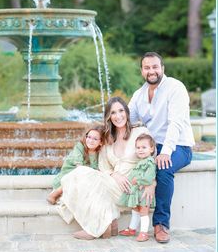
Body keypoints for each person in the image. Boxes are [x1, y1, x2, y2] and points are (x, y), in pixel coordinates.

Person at [56, 96, 151, 240]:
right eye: (113, 113)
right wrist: (115, 175)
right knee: (84, 174)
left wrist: (152, 184)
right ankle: (109, 225)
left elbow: (151, 159)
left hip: (131, 187)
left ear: (127, 112)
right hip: (114, 182)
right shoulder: (108, 139)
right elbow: (103, 166)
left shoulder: (140, 132)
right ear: (108, 117)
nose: (118, 116)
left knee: (84, 175)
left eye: (121, 111)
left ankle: (95, 228)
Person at [128, 51, 194, 243]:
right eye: (147, 67)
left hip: (179, 146)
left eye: (155, 67)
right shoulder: (138, 95)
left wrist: (165, 152)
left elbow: (176, 123)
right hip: (154, 146)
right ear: (142, 71)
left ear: (162, 69)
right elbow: (128, 121)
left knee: (163, 169)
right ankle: (134, 218)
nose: (151, 71)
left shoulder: (175, 87)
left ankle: (161, 224)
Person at [47, 124, 104, 205]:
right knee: (80, 172)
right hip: (69, 175)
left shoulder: (99, 153)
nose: (90, 140)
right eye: (89, 137)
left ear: (101, 142)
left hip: (85, 179)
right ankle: (55, 193)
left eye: (95, 139)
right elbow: (79, 167)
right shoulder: (80, 147)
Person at [118, 133, 156, 242]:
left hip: (145, 193)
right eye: (138, 147)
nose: (140, 150)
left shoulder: (150, 162)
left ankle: (144, 232)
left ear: (151, 149)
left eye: (144, 147)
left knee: (144, 212)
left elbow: (149, 177)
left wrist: (138, 180)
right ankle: (132, 229)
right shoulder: (140, 162)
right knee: (135, 210)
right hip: (137, 192)